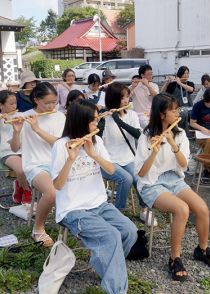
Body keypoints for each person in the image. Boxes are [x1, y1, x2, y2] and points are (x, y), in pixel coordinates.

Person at [52, 99, 138, 294]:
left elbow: (111, 169)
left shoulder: (96, 141)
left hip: (99, 203)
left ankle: (104, 261)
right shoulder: (61, 146)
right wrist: (71, 160)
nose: (97, 124)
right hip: (74, 209)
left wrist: (93, 154)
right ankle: (117, 290)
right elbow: (57, 185)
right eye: (93, 120)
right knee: (112, 235)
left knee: (129, 231)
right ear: (81, 121)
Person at [135, 93, 210, 281]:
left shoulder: (180, 134)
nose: (177, 113)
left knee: (202, 208)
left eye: (177, 109)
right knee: (182, 209)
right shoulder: (146, 136)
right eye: (173, 111)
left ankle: (202, 249)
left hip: (174, 179)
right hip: (152, 183)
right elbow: (141, 174)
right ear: (161, 114)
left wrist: (173, 144)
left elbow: (183, 165)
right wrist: (153, 152)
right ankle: (174, 258)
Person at [11, 82, 66, 247]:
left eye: (54, 102)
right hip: (35, 164)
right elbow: (14, 148)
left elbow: (58, 143)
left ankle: (71, 222)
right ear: (36, 99)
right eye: (47, 102)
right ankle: (38, 229)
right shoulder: (24, 116)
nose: (51, 106)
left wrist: (37, 129)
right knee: (51, 193)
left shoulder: (60, 116)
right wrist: (16, 131)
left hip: (58, 162)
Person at [100, 82, 154, 225]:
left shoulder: (132, 114)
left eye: (127, 97)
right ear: (113, 99)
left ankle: (144, 210)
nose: (126, 101)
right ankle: (118, 213)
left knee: (138, 178)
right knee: (126, 179)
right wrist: (102, 121)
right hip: (110, 160)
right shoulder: (104, 118)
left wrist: (120, 121)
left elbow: (138, 135)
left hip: (129, 157)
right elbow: (98, 140)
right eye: (122, 98)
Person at [0, 90, 31, 204]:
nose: (15, 106)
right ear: (1, 105)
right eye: (11, 104)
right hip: (8, 152)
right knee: (22, 169)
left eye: (15, 103)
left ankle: (19, 185)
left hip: (25, 149)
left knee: (33, 165)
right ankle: (27, 190)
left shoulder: (21, 115)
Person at [162, 66, 195, 135]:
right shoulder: (173, 84)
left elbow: (191, 90)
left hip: (189, 107)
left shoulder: (190, 83)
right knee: (184, 113)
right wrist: (167, 83)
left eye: (188, 73)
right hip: (177, 108)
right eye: (184, 73)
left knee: (195, 112)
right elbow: (162, 93)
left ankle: (194, 132)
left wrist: (180, 83)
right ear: (180, 74)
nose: (186, 75)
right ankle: (183, 133)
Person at [132, 64, 159, 129]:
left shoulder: (154, 85)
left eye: (151, 74)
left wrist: (147, 85)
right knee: (149, 126)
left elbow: (156, 97)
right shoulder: (135, 85)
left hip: (152, 114)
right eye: (149, 74)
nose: (151, 76)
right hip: (139, 115)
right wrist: (132, 87)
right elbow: (126, 96)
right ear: (142, 75)